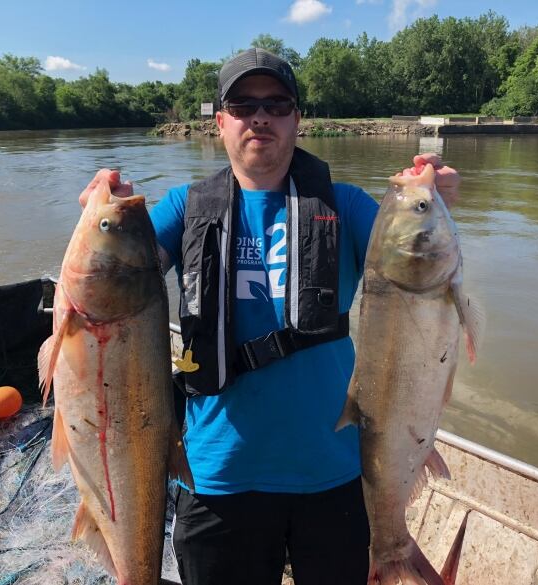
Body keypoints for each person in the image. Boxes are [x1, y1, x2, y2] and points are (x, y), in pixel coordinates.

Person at [79, 48, 460, 585]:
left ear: (297, 119)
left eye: (277, 104)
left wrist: (434, 201)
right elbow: (110, 292)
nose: (260, 116)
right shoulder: (181, 208)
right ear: (220, 121)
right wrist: (104, 217)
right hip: (217, 477)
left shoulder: (347, 206)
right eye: (243, 104)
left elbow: (416, 264)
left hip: (334, 473)